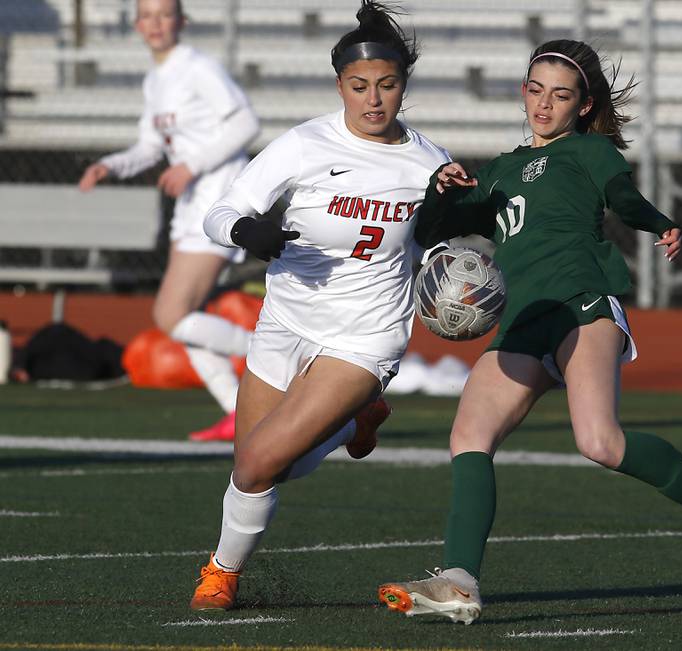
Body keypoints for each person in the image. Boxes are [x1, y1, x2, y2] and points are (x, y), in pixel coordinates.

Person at [378, 39, 682, 625]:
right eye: (536, 90)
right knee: (468, 437)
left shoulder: (589, 150)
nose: (545, 104)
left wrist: (660, 223)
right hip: (524, 321)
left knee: (599, 443)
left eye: (561, 94)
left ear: (583, 105)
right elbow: (435, 226)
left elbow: (624, 198)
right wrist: (441, 189)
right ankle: (459, 579)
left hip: (583, 306)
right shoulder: (500, 171)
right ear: (521, 92)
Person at [189, 1, 451, 611]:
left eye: (387, 86)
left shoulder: (428, 162)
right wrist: (246, 233)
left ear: (403, 87)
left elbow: (447, 242)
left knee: (257, 461)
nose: (374, 99)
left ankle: (221, 573)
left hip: (366, 336)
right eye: (359, 86)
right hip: (285, 323)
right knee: (258, 470)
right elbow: (220, 213)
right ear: (340, 86)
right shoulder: (304, 144)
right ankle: (353, 426)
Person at [78, 0, 260, 441]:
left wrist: (192, 165)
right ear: (137, 24)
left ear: (182, 21)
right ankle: (239, 412)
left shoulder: (198, 67)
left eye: (165, 14)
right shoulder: (155, 80)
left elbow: (245, 125)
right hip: (190, 205)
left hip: (216, 202)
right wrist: (110, 166)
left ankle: (280, 357)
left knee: (170, 314)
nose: (155, 24)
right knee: (183, 315)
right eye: (147, 15)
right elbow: (148, 146)